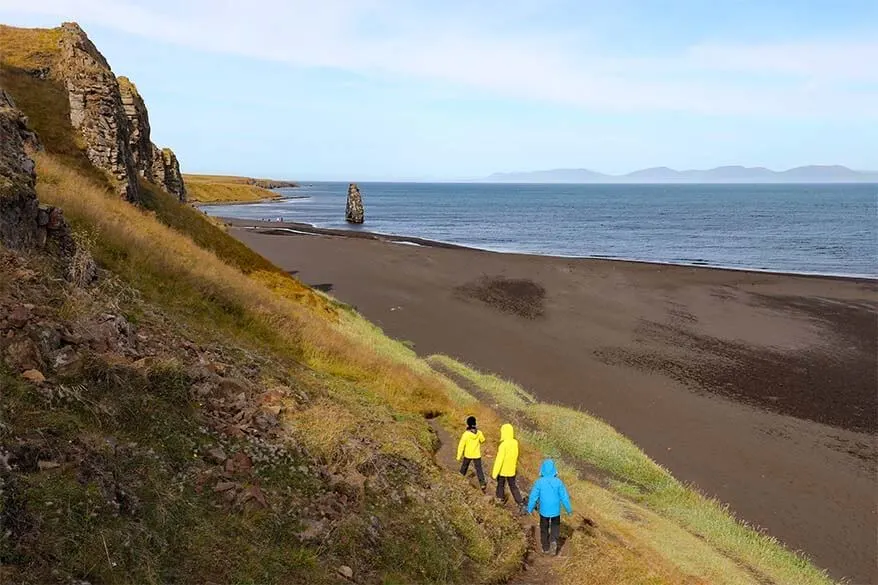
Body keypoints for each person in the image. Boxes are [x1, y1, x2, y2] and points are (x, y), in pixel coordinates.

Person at [527, 459, 572, 555]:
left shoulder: (539, 482)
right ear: (554, 470)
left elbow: (533, 497)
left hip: (544, 510)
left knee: (544, 527)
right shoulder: (558, 482)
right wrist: (569, 510)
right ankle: (553, 541)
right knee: (555, 526)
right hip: (556, 510)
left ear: (542, 469)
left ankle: (545, 547)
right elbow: (564, 497)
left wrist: (530, 508)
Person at [492, 423, 524, 512]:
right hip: (512, 470)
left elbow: (499, 460)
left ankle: (500, 500)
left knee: (500, 485)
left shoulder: (503, 445)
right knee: (513, 486)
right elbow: (516, 456)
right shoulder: (515, 443)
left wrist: (494, 473)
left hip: (503, 470)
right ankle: (520, 502)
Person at [456, 416, 486, 492]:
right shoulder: (479, 432)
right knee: (479, 470)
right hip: (477, 454)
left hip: (468, 454)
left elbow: (461, 446)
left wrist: (458, 456)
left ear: (468, 424)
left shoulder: (466, 434)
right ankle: (482, 483)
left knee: (464, 467)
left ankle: (460, 478)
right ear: (475, 423)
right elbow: (483, 440)